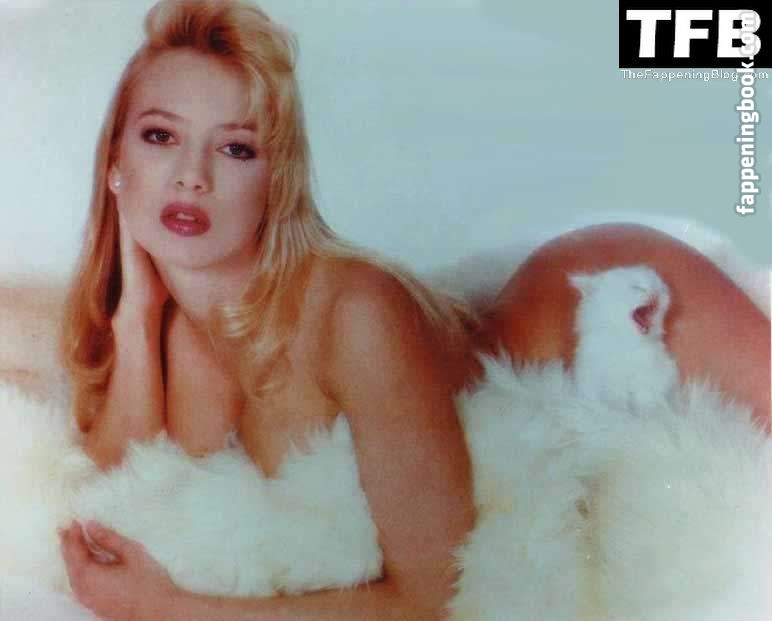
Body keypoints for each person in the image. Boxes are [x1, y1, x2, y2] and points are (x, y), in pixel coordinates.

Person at [54, 0, 770, 619]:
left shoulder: (351, 311)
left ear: (276, 181)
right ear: (115, 164)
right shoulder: (186, 334)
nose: (192, 176)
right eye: (160, 136)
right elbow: (122, 477)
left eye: (237, 148)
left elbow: (436, 598)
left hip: (603, 310)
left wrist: (168, 609)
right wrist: (135, 312)